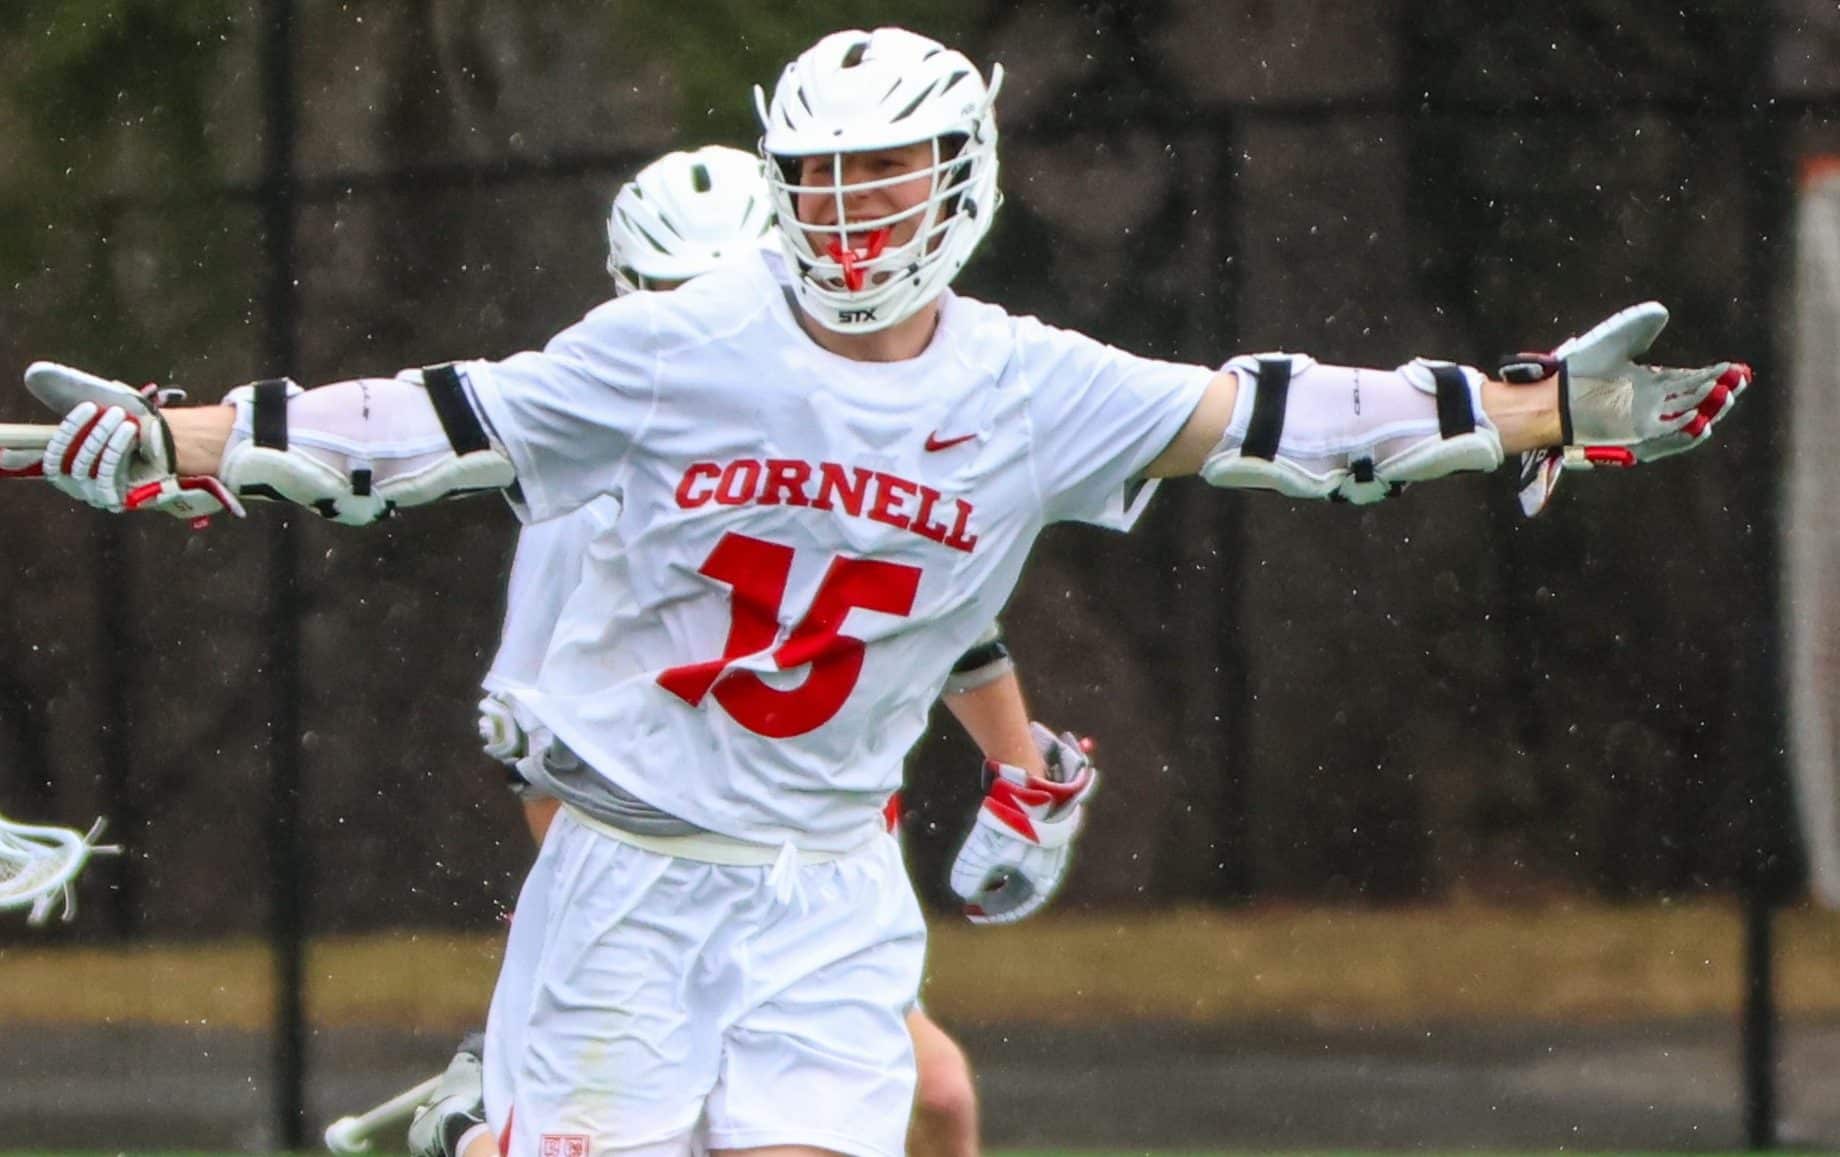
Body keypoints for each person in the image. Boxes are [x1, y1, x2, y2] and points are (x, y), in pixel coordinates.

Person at [23, 25, 1747, 1157]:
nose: (850, 219)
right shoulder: (673, 346)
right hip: (627, 871)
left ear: (960, 176)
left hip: (830, 894)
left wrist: (1530, 412)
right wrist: (185, 442)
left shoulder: (1033, 381)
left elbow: (1277, 422)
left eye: (883, 178)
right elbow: (422, 424)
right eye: (821, 183)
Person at [410, 143, 996, 1157]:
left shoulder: (858, 439)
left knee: (939, 1095)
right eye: (677, 298)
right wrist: (628, 916)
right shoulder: (600, 482)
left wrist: (1020, 766)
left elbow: (948, 618)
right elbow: (535, 745)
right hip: (674, 889)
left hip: (816, 885)